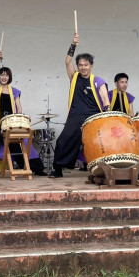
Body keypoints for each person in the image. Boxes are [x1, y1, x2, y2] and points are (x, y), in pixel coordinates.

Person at [0, 50, 47, 177]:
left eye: (7, 75)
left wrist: (19, 120)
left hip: (11, 123)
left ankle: (35, 168)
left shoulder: (14, 91)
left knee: (19, 146)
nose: (4, 77)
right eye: (2, 75)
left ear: (10, 78)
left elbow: (19, 108)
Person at [50, 34, 110, 178]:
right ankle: (57, 169)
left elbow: (105, 98)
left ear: (91, 66)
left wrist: (106, 114)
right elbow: (67, 61)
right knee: (63, 141)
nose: (83, 67)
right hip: (76, 115)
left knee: (101, 142)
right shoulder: (74, 77)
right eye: (81, 65)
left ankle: (104, 169)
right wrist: (73, 44)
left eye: (86, 65)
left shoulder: (97, 80)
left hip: (94, 116)